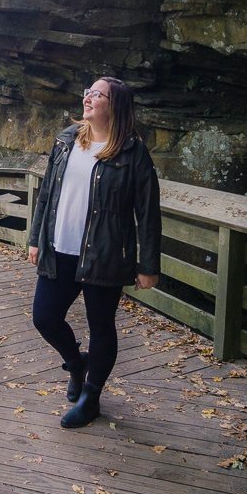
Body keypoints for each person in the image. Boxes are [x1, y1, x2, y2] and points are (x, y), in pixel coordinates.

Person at [28, 76, 162, 428]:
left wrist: (148, 264)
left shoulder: (132, 153)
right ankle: (75, 363)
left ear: (114, 106)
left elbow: (148, 211)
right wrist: (35, 238)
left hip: (105, 254)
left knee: (101, 325)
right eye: (87, 91)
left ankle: (91, 396)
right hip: (59, 248)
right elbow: (46, 195)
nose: (87, 98)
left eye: (97, 95)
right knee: (44, 316)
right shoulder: (66, 141)